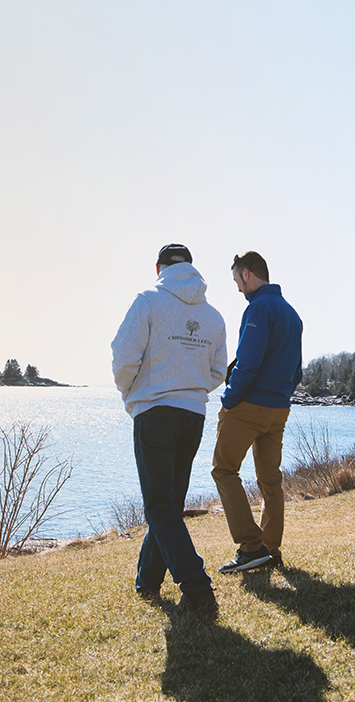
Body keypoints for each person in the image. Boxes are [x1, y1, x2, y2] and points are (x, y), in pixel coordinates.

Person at [111, 244, 227, 615]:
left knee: (160, 505)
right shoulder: (213, 316)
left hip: (154, 411)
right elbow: (217, 372)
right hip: (192, 416)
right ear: (190, 267)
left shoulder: (148, 301)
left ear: (158, 267)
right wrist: (190, 390)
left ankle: (197, 590)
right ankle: (148, 581)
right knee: (169, 504)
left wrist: (133, 393)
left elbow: (123, 356)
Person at [212, 250, 303, 573]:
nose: (237, 287)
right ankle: (271, 550)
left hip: (249, 406)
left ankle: (252, 547)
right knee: (270, 480)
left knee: (223, 470)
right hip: (279, 409)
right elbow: (297, 374)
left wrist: (228, 398)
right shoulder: (292, 313)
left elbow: (247, 364)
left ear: (248, 274)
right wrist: (280, 397)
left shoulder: (259, 308)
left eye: (237, 279)